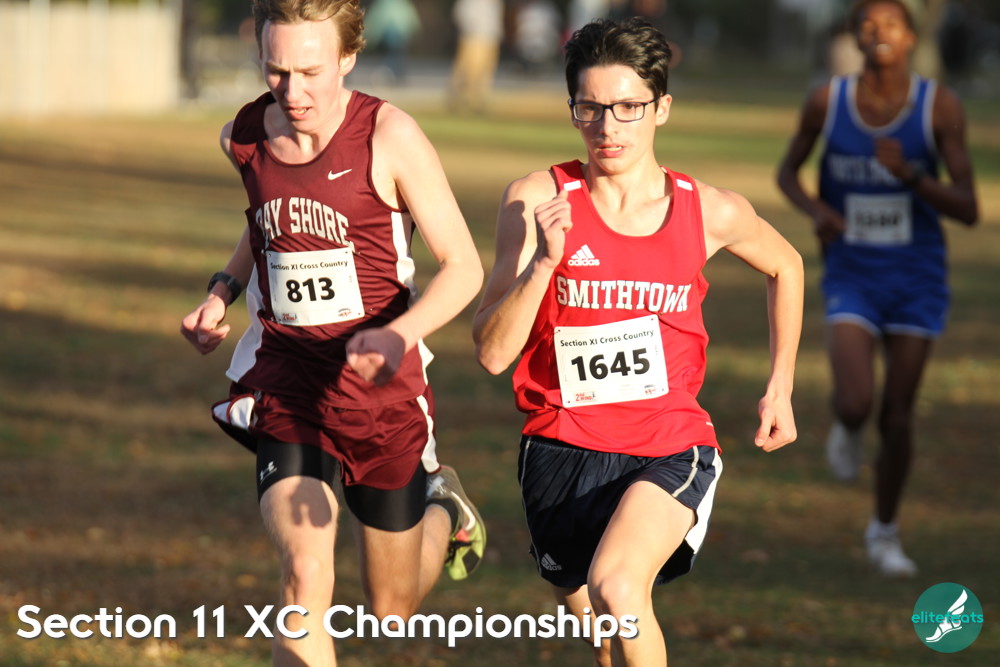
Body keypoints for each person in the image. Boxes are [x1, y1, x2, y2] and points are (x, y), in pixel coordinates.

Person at [473, 17, 803, 667]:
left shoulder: (708, 209)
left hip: (669, 443)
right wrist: (544, 264)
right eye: (590, 108)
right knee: (601, 637)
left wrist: (781, 385)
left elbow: (786, 265)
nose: (609, 127)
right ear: (572, 109)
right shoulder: (536, 200)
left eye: (628, 107)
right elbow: (491, 353)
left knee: (619, 588)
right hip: (560, 448)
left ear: (662, 108)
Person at [179, 0, 486, 663]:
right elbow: (264, 220)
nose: (292, 92)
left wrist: (399, 335)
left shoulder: (390, 136)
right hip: (289, 384)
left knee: (391, 610)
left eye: (311, 72)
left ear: (348, 58)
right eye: (276, 71)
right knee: (305, 572)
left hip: (381, 394)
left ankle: (444, 508)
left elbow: (464, 266)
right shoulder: (245, 136)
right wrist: (220, 292)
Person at [776, 0, 978, 578]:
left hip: (916, 277)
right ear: (855, 37)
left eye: (891, 23)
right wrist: (819, 211)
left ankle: (884, 532)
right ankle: (846, 427)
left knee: (898, 414)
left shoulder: (939, 106)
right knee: (856, 400)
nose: (877, 31)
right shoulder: (828, 100)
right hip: (852, 272)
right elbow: (787, 173)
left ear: (911, 37)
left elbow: (967, 208)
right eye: (867, 24)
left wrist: (912, 176)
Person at [448, 0, 504, 113]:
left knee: (485, 72)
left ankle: (478, 101)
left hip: (491, 38)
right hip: (474, 38)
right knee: (469, 71)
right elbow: (461, 15)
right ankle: (461, 101)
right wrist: (473, 30)